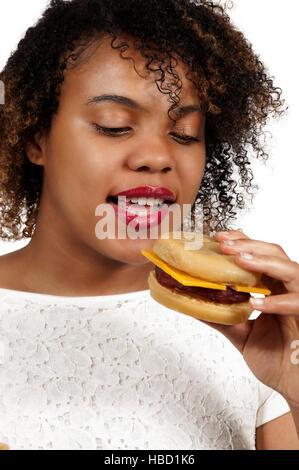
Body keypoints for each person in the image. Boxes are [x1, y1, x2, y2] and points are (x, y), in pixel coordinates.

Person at [0, 0, 298, 450]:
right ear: (35, 137)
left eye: (184, 134)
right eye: (114, 125)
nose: (158, 157)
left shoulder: (249, 334)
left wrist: (294, 387)